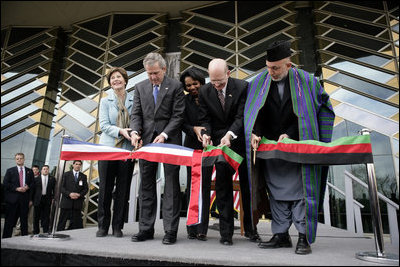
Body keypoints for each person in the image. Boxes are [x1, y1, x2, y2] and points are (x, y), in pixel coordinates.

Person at [244, 40, 335, 254]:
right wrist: (255, 132)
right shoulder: (259, 82)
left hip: (298, 149)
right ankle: (281, 235)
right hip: (271, 151)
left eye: (275, 68)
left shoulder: (308, 81)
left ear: (288, 64)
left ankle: (303, 237)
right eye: (268, 67)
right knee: (276, 192)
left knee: (302, 193)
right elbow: (256, 111)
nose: (271, 72)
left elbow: (316, 111)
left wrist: (293, 134)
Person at [198, 58, 258, 246]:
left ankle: (251, 230)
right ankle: (226, 234)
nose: (216, 85)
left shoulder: (242, 87)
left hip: (240, 143)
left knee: (248, 188)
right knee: (223, 188)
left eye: (220, 81)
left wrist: (230, 135)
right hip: (219, 147)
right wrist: (206, 135)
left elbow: (242, 116)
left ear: (228, 73)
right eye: (213, 81)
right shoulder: (204, 91)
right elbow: (205, 118)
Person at [130, 52, 185, 245]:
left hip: (169, 140)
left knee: (170, 186)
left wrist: (165, 134)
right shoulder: (139, 88)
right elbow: (136, 114)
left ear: (164, 69)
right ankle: (145, 229)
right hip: (145, 142)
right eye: (149, 74)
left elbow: (178, 116)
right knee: (146, 186)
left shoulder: (176, 86)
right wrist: (135, 132)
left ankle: (170, 231)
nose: (153, 77)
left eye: (155, 73)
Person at [96, 66, 135, 238]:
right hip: (108, 149)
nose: (116, 80)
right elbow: (103, 126)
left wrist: (133, 133)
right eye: (112, 78)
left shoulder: (134, 100)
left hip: (127, 151)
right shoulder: (105, 101)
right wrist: (121, 131)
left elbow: (137, 122)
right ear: (110, 83)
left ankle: (117, 226)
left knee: (122, 190)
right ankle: (103, 226)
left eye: (119, 77)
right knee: (105, 189)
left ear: (125, 80)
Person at [179, 67, 208, 241]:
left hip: (209, 147)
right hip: (191, 148)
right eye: (188, 85)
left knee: (205, 187)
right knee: (193, 187)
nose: (191, 88)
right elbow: (181, 123)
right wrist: (194, 129)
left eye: (194, 83)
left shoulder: (210, 96)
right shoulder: (184, 100)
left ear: (201, 81)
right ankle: (191, 226)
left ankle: (202, 228)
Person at [2, 153, 34, 238]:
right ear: (15, 160)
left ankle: (24, 238)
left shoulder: (29, 171)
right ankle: (6, 239)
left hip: (24, 199)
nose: (19, 160)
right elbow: (5, 183)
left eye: (21, 158)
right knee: (9, 221)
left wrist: (28, 187)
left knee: (24, 221)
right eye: (17, 158)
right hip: (12, 200)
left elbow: (32, 184)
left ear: (24, 159)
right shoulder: (10, 170)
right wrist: (16, 188)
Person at [57, 160, 88, 231]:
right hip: (66, 201)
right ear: (73, 165)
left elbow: (86, 189)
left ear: (81, 166)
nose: (78, 166)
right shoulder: (66, 174)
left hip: (77, 202)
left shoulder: (83, 176)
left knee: (76, 222)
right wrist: (69, 194)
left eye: (79, 164)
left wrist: (79, 195)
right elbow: (61, 187)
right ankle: (59, 232)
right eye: (76, 164)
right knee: (62, 220)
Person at [32, 165, 56, 234]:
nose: (45, 170)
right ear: (41, 170)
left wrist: (53, 198)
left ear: (48, 170)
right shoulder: (36, 179)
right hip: (38, 200)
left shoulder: (52, 179)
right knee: (36, 216)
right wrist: (32, 200)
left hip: (47, 199)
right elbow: (33, 190)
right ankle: (36, 231)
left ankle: (46, 231)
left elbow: (54, 190)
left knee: (46, 216)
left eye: (47, 169)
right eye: (44, 169)